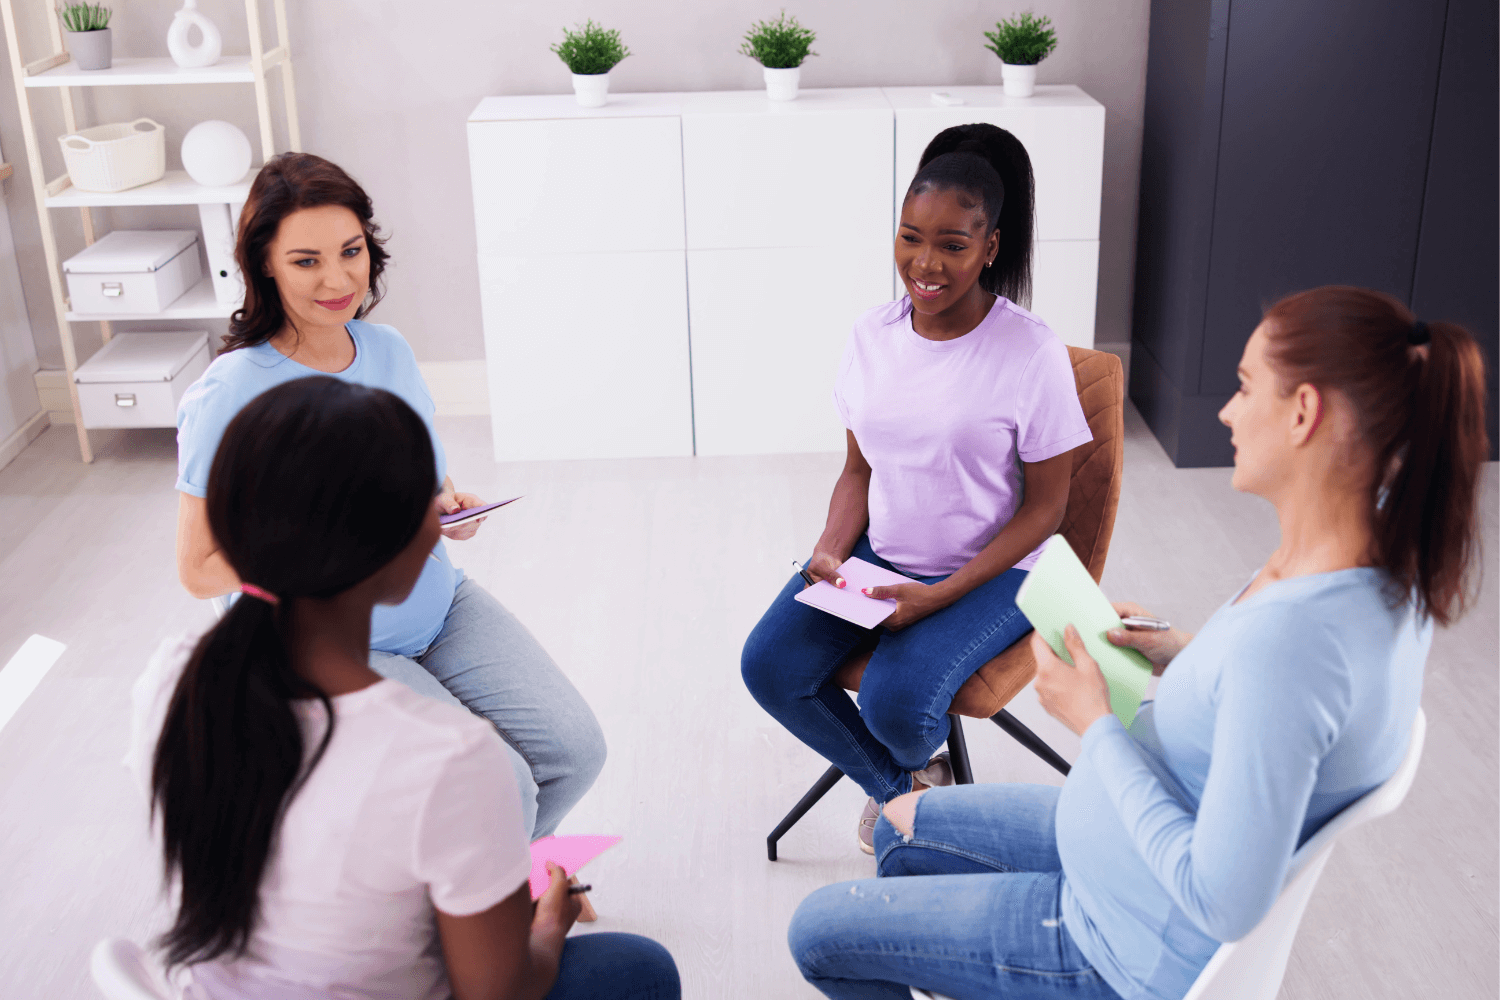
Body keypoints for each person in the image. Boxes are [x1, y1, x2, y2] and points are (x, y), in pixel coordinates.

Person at [786, 285, 1490, 1000]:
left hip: (1117, 938)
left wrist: (1094, 722)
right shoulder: (1368, 557)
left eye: (1246, 389)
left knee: (819, 932)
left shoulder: (1299, 648)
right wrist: (1180, 651)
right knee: (901, 836)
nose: (1225, 410)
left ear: (1304, 413)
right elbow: (1269, 698)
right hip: (1116, 833)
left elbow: (1221, 900)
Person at [132, 378, 680, 1000]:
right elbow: (499, 992)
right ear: (400, 547)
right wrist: (548, 919)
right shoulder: (450, 757)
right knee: (641, 967)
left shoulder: (171, 679)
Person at [174, 153, 604, 852]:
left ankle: (520, 874)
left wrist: (443, 504)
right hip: (327, 638)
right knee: (501, 785)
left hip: (436, 605)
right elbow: (198, 570)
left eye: (350, 252)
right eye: (307, 261)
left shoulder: (389, 351)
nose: (339, 279)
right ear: (266, 266)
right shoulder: (230, 392)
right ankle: (481, 924)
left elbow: (417, 476)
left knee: (575, 753)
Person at [741, 123, 1093, 853]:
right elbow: (858, 470)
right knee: (768, 665)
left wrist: (939, 595)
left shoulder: (1030, 351)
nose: (925, 264)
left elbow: (1048, 509)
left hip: (998, 573)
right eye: (910, 238)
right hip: (884, 555)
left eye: (952, 246)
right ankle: (906, 793)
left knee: (896, 704)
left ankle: (907, 779)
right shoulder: (872, 335)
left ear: (989, 247)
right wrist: (830, 550)